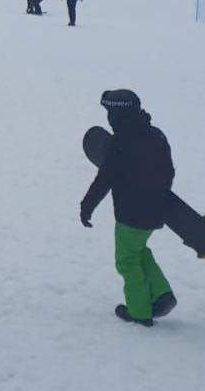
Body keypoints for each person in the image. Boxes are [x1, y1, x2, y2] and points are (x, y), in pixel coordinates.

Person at [80, 90, 177, 326]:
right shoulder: (156, 136)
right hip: (155, 212)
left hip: (130, 217)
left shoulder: (119, 145)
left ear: (117, 115)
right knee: (139, 250)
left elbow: (104, 180)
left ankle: (139, 311)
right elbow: (169, 171)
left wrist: (87, 207)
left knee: (127, 261)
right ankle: (162, 294)